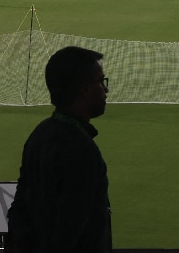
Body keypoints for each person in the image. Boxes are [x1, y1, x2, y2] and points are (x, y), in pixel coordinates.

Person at [6, 46, 112, 253]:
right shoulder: (82, 150)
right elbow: (69, 231)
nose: (105, 89)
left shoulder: (39, 135)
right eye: (100, 81)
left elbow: (19, 211)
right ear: (85, 89)